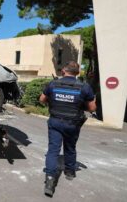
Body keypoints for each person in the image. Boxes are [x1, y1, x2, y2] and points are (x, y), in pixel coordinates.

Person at [39, 61, 96, 197]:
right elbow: (93, 108)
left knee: (53, 150)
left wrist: (52, 99)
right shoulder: (84, 87)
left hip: (55, 121)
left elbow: (42, 99)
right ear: (77, 73)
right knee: (70, 148)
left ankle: (50, 181)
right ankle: (70, 172)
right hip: (73, 124)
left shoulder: (53, 84)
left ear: (64, 70)